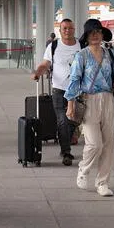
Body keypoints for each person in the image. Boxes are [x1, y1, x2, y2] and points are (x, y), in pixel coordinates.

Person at [64, 19, 114, 196]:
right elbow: (74, 80)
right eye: (92, 32)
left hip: (108, 99)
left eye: (98, 31)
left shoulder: (110, 54)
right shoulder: (81, 56)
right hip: (88, 100)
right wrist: (70, 103)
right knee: (94, 143)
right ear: (87, 36)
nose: (96, 35)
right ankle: (83, 170)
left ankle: (103, 182)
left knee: (109, 144)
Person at [31, 18, 81, 166]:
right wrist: (37, 73)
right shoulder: (53, 46)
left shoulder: (81, 45)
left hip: (78, 90)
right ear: (60, 31)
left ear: (74, 30)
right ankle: (66, 151)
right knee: (62, 120)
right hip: (59, 89)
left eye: (70, 28)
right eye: (64, 28)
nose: (67, 31)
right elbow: (45, 64)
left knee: (75, 119)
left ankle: (67, 139)